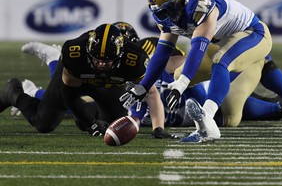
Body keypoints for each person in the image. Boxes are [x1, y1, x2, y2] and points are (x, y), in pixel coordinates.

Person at [119, 0, 273, 143]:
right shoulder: (167, 15)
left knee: (220, 61)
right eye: (162, 12)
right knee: (178, 74)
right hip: (221, 43)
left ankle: (208, 119)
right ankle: (202, 128)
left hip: (254, 34)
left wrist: (182, 84)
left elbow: (198, 47)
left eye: (169, 9)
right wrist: (144, 85)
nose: (167, 16)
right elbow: (162, 52)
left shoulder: (199, 1)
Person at [3, 22, 176, 139]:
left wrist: (158, 128)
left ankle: (87, 118)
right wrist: (89, 124)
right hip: (77, 80)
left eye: (106, 60)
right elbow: (69, 94)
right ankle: (14, 92)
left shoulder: (135, 60)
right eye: (96, 59)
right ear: (88, 51)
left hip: (109, 85)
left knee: (111, 127)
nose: (100, 64)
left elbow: (151, 93)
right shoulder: (75, 53)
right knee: (44, 123)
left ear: (120, 56)